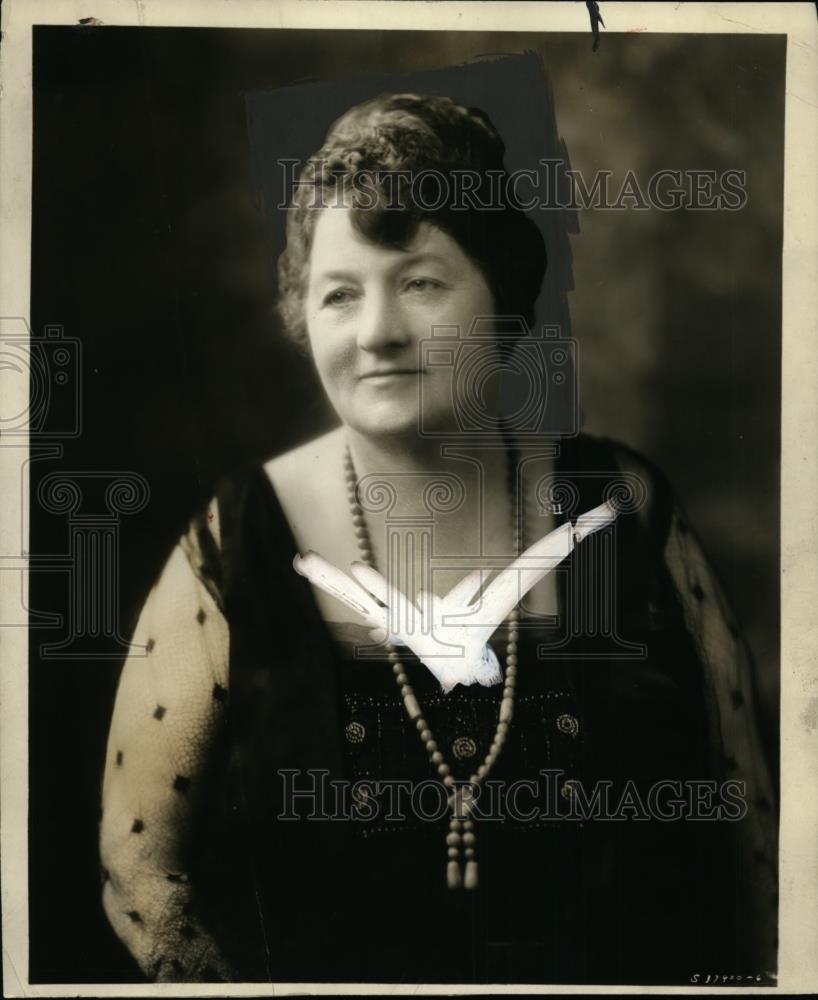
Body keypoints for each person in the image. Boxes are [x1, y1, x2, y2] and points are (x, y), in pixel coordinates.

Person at [99, 92, 777, 985]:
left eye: (419, 281)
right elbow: (140, 870)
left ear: (499, 291)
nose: (377, 331)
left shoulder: (625, 509)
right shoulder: (235, 541)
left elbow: (757, 850)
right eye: (339, 294)